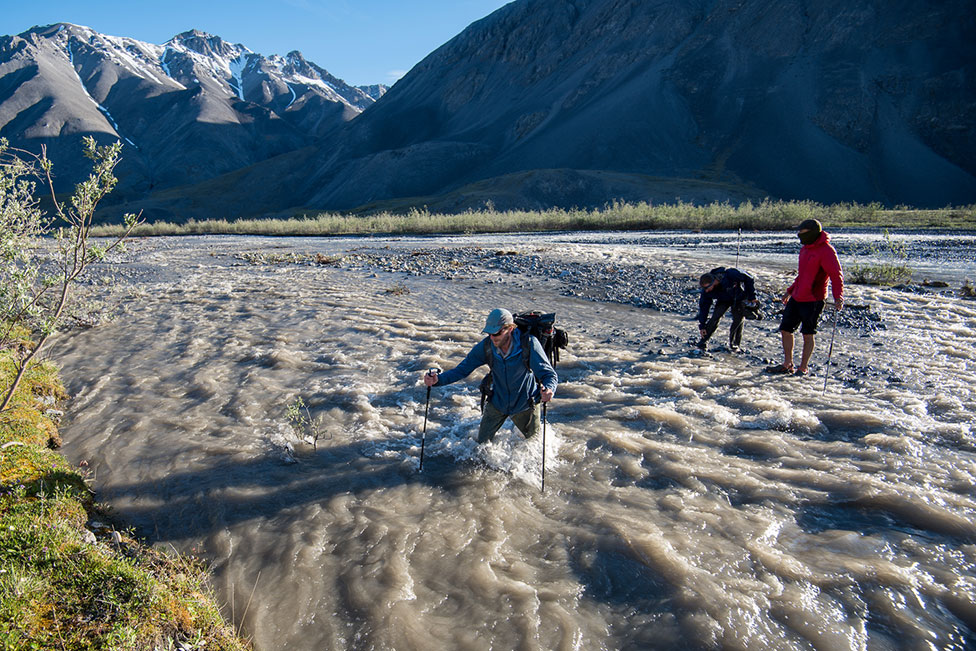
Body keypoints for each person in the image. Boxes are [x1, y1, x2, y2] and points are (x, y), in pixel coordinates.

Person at [423, 308, 557, 444]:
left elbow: (548, 374)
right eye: (489, 333)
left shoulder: (529, 344)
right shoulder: (486, 347)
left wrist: (549, 389)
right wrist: (437, 380)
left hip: (525, 404)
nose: (492, 337)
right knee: (481, 446)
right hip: (497, 402)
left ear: (510, 329)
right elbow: (462, 370)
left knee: (535, 445)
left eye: (497, 333)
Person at [766, 218, 844, 376]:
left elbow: (836, 276)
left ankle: (803, 368)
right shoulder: (805, 249)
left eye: (802, 232)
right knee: (785, 329)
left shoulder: (827, 251)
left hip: (814, 299)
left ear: (813, 233)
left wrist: (838, 297)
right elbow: (802, 275)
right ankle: (787, 364)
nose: (799, 235)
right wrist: (790, 290)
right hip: (797, 296)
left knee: (808, 333)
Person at [696, 267, 758, 352]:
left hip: (738, 297)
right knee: (715, 317)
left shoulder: (730, 274)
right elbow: (704, 307)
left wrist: (752, 297)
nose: (706, 291)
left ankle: (735, 345)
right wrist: (702, 325)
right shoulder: (707, 292)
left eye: (707, 288)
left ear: (714, 281)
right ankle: (703, 341)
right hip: (723, 299)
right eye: (704, 289)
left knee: (738, 320)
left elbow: (749, 278)